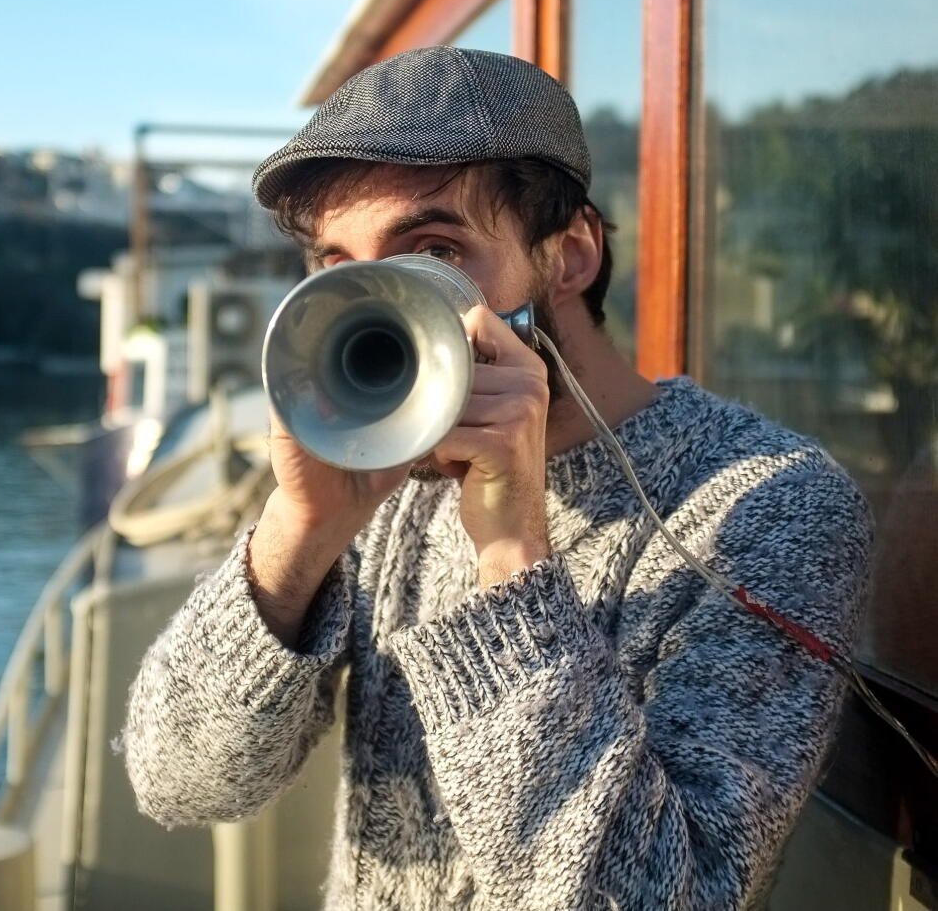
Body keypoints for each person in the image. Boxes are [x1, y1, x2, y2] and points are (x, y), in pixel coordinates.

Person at [122, 46, 872, 910]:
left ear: (571, 255)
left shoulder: (773, 508)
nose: (376, 302)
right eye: (339, 267)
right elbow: (180, 782)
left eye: (433, 252)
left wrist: (513, 555)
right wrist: (300, 532)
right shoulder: (384, 481)